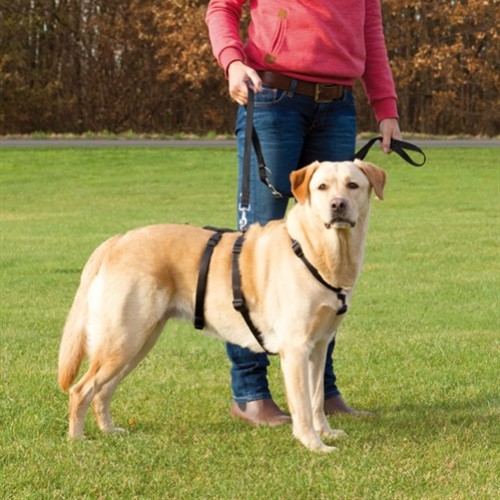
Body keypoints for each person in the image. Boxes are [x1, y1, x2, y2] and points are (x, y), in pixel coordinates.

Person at [205, 0, 402, 425]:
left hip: (337, 105)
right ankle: (250, 392)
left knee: (329, 259)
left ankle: (321, 393)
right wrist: (232, 62)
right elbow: (221, 8)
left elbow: (370, 33)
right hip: (272, 97)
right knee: (253, 249)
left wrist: (385, 106)